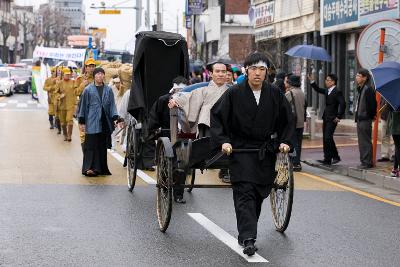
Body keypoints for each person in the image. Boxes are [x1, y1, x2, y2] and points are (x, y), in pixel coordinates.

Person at [210, 52, 294, 256]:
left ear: (267, 72)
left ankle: (247, 231)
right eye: (254, 69)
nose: (257, 73)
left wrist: (285, 141)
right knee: (244, 192)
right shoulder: (234, 93)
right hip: (239, 149)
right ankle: (248, 238)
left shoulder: (275, 93)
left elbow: (288, 119)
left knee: (258, 194)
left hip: (265, 150)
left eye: (262, 69)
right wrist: (224, 141)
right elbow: (217, 116)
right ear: (246, 71)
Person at [168, 62, 230, 182]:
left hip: (228, 128)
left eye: (223, 72)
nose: (221, 74)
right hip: (206, 126)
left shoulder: (233, 90)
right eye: (217, 71)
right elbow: (183, 95)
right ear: (211, 74)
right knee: (209, 111)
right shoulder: (202, 88)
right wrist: (175, 101)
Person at [149, 76, 189, 203]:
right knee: (168, 163)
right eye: (177, 90)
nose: (179, 93)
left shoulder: (190, 99)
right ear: (173, 88)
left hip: (184, 134)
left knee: (182, 164)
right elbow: (155, 117)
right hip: (167, 133)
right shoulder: (163, 100)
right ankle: (165, 186)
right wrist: (155, 129)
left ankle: (178, 194)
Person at [78, 67, 122, 177]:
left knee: (101, 146)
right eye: (98, 74)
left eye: (102, 74)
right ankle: (89, 168)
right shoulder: (88, 89)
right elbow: (83, 106)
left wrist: (115, 117)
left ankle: (101, 168)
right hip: (92, 120)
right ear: (94, 76)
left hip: (104, 121)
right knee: (91, 145)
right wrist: (82, 121)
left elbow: (112, 105)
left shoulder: (108, 90)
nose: (100, 76)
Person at [308, 73, 346, 165]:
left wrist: (339, 116)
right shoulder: (327, 90)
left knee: (328, 137)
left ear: (333, 82)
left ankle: (336, 156)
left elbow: (343, 104)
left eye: (328, 80)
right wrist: (312, 81)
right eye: (326, 80)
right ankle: (327, 159)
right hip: (326, 117)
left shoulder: (337, 91)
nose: (326, 81)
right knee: (325, 138)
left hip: (333, 118)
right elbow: (317, 89)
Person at [355, 68, 377, 169]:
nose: (356, 78)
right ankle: (363, 161)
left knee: (365, 141)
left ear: (365, 78)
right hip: (360, 119)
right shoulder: (361, 88)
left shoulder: (368, 89)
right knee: (361, 141)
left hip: (365, 119)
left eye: (359, 76)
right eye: (356, 76)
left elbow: (372, 105)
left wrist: (370, 116)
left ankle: (367, 162)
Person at [285, 75, 306, 171]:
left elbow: (283, 107)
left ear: (290, 83)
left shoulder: (290, 93)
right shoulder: (302, 93)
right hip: (301, 122)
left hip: (292, 123)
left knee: (292, 143)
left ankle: (294, 162)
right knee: (299, 143)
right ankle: (297, 162)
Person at [75, 58, 96, 148]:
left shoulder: (98, 78)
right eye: (89, 66)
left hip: (95, 108)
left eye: (93, 66)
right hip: (83, 109)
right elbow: (76, 92)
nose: (91, 68)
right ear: (86, 68)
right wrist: (83, 85)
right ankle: (86, 158)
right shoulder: (80, 79)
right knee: (83, 134)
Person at [55, 68, 76, 141]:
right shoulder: (60, 83)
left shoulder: (73, 82)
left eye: (69, 74)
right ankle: (65, 134)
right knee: (63, 122)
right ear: (63, 75)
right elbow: (56, 93)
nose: (68, 76)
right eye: (66, 74)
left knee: (69, 120)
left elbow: (76, 91)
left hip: (70, 105)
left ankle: (69, 135)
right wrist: (60, 96)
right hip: (62, 105)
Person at [388, 108, 400, 177]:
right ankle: (396, 169)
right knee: (398, 147)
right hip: (396, 126)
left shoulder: (394, 101)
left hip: (394, 126)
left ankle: (395, 169)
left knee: (398, 147)